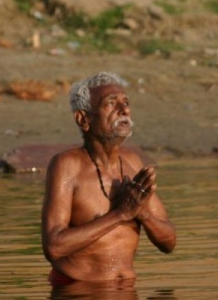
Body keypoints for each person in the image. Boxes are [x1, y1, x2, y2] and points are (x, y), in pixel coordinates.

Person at [41, 71, 176, 284]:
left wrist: (142, 214)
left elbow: (169, 243)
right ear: (83, 119)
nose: (124, 111)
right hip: (78, 291)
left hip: (129, 291)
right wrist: (120, 214)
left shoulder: (133, 163)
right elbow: (54, 246)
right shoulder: (67, 166)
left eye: (126, 103)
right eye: (110, 104)